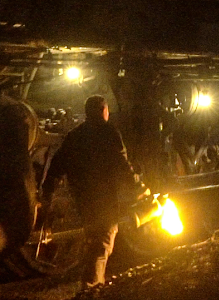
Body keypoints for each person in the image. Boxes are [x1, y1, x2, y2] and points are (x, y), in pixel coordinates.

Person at [39, 94, 144, 286]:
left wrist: (48, 190)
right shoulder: (109, 132)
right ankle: (92, 288)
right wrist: (137, 185)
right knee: (103, 241)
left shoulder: (75, 135)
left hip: (82, 197)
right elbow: (121, 163)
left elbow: (57, 163)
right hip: (104, 197)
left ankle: (92, 282)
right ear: (104, 111)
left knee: (95, 238)